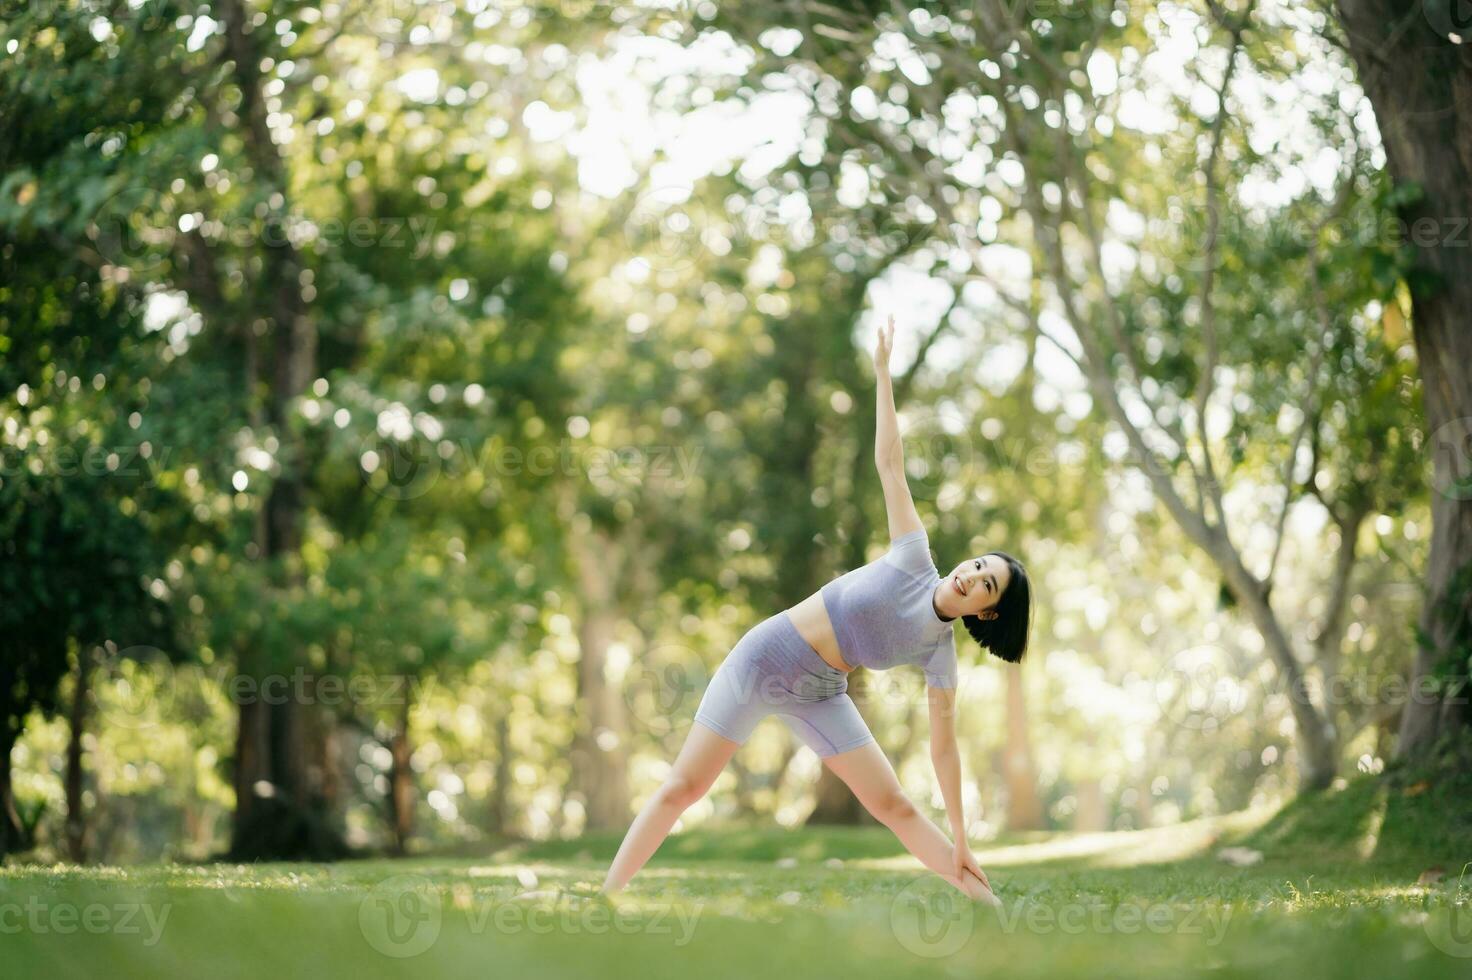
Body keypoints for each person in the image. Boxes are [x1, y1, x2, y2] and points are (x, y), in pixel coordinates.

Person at [600, 315, 1033, 902]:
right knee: (684, 786)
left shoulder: (940, 656)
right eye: (980, 564)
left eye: (988, 587)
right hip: (763, 658)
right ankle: (604, 897)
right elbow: (890, 463)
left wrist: (961, 834)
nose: (973, 575)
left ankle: (994, 910)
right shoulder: (913, 554)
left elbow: (944, 749)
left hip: (821, 693)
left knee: (895, 806)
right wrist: (883, 373)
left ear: (986, 613)